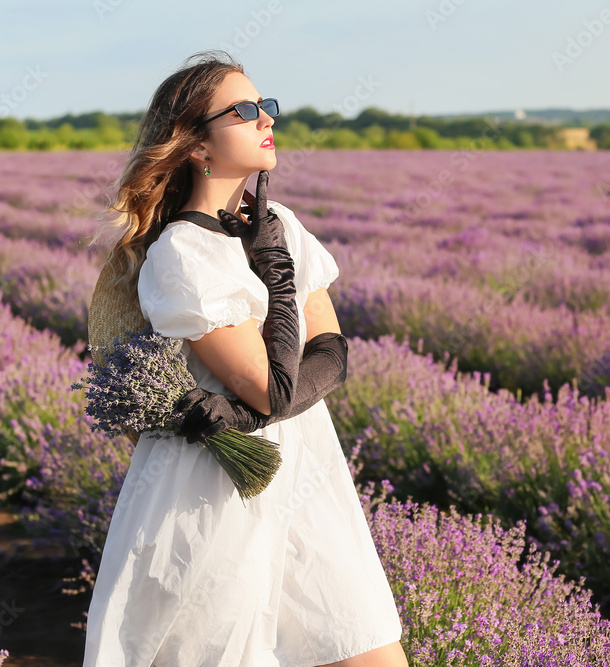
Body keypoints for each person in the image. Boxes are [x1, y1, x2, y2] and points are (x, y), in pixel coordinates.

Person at [82, 50, 407, 667]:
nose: (267, 119)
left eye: (267, 105)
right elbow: (273, 392)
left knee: (364, 645)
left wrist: (243, 410)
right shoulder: (184, 252)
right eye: (246, 110)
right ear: (197, 145)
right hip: (217, 492)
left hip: (308, 475)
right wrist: (277, 275)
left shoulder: (280, 222)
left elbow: (333, 353)